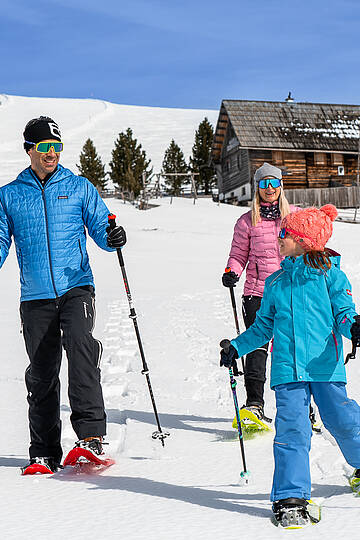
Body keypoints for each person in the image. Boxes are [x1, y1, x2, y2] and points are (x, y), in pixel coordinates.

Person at [0, 116, 126, 473]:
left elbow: (102, 226)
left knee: (80, 343)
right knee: (41, 371)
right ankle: (43, 451)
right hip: (35, 296)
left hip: (77, 287)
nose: (52, 153)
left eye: (57, 147)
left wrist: (112, 236)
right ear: (30, 150)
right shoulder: (9, 196)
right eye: (44, 147)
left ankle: (90, 437)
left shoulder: (80, 187)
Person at [220, 204, 360, 526]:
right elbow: (262, 327)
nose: (278, 238)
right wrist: (237, 347)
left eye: (285, 234)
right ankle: (291, 496)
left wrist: (353, 326)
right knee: (292, 431)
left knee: (342, 420)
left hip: (325, 366)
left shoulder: (331, 276)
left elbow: (343, 313)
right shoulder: (275, 283)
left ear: (304, 240)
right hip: (287, 371)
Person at [222, 162, 296, 421]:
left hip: (289, 293)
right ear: (257, 187)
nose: (269, 188)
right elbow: (238, 254)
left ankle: (302, 408)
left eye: (273, 183)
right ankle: (254, 404)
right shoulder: (246, 221)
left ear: (280, 185)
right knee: (256, 347)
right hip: (257, 292)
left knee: (290, 349)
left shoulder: (292, 217)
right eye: (264, 183)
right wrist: (232, 270)